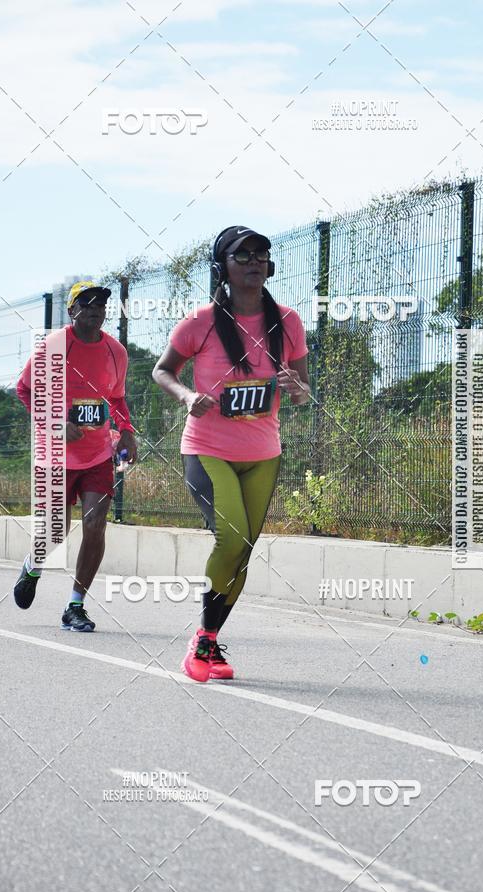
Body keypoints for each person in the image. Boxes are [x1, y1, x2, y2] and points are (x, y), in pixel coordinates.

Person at [153, 226, 310, 681]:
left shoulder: (289, 321)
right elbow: (163, 371)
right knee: (231, 538)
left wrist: (295, 388)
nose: (255, 262)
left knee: (244, 549)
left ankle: (209, 640)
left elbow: (302, 392)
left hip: (263, 452)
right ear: (222, 268)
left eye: (261, 255)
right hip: (208, 449)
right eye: (243, 256)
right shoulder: (200, 322)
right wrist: (186, 396)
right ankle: (203, 642)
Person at [13, 282, 137, 630]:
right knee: (56, 532)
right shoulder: (52, 346)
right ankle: (33, 567)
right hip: (53, 454)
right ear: (72, 310)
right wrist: (54, 422)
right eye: (88, 303)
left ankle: (75, 606)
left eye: (101, 304)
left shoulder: (116, 352)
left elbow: (117, 398)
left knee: (96, 525)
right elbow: (24, 389)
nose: (96, 308)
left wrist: (127, 430)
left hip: (97, 453)